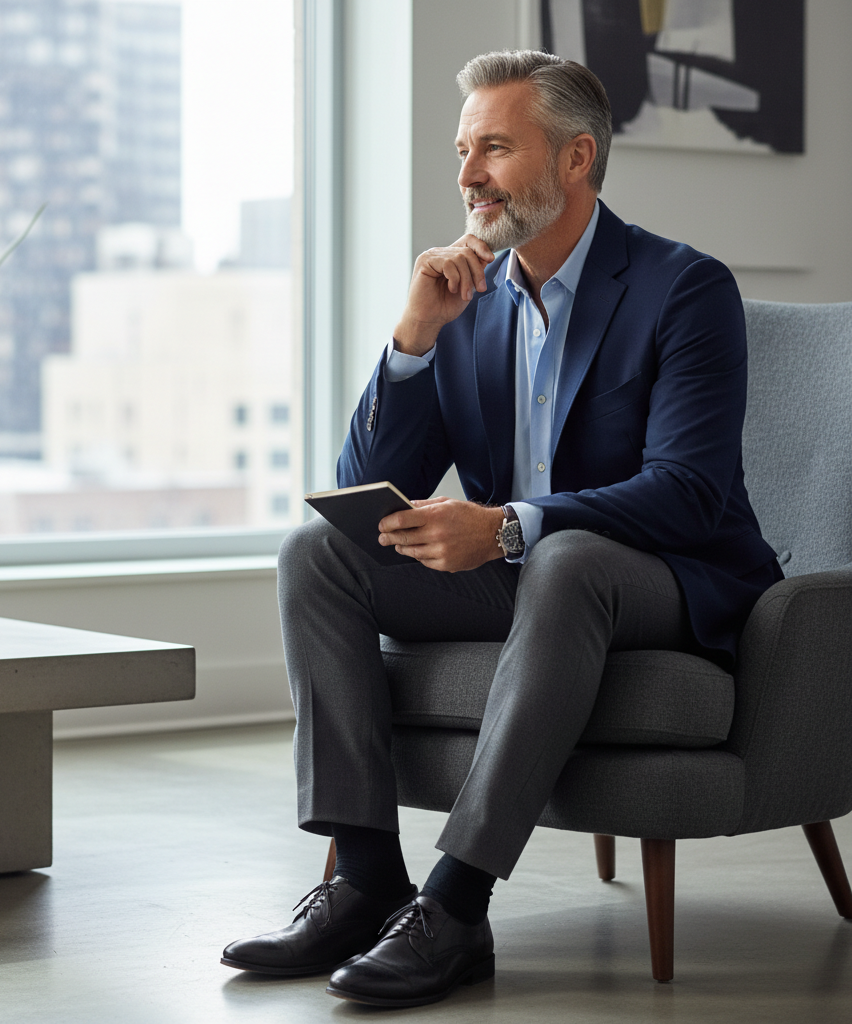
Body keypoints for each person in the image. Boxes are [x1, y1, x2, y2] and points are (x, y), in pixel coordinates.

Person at [221, 49, 782, 1008]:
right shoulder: (468, 302)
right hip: (527, 574)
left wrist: (512, 528)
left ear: (575, 157)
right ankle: (365, 880)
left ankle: (456, 906)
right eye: (462, 152)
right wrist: (412, 339)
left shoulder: (683, 287)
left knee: (565, 561)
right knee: (318, 552)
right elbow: (364, 493)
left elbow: (689, 493)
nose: (469, 176)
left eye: (494, 148)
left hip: (666, 577)